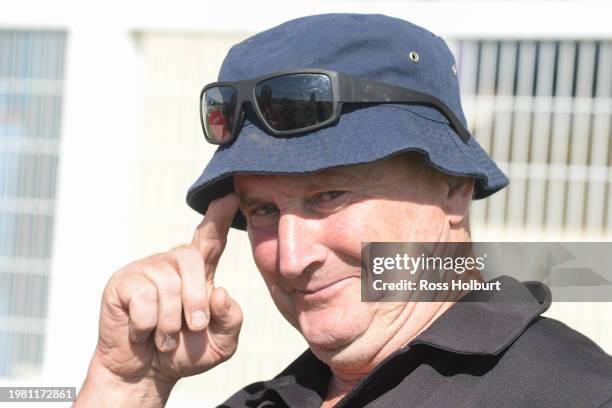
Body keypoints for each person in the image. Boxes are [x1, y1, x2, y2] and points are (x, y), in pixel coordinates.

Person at [75, 14, 612, 407]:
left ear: (453, 187)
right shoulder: (264, 403)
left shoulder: (573, 393)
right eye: (262, 209)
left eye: (328, 196)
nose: (289, 259)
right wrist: (128, 385)